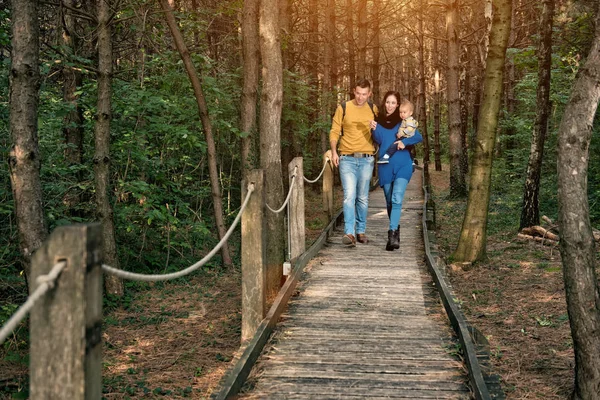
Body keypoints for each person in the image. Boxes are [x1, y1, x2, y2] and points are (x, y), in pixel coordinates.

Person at [370, 92, 422, 251]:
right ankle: (395, 227)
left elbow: (418, 137)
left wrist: (404, 142)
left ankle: (392, 234)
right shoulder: (377, 123)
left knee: (397, 198)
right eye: (388, 102)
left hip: (403, 164)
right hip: (385, 166)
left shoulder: (404, 121)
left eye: (393, 103)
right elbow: (380, 140)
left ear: (398, 104)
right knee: (389, 201)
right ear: (384, 103)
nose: (390, 105)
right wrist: (373, 129)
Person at [329, 79, 378, 247]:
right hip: (347, 158)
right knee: (349, 196)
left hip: (366, 159)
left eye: (364, 94)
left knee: (362, 198)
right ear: (353, 91)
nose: (360, 97)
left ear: (369, 94)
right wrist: (334, 151)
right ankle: (349, 233)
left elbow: (382, 131)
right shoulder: (343, 108)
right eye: (358, 93)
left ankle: (361, 231)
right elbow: (335, 131)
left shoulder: (373, 109)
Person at [377, 100, 418, 164]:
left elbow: (410, 129)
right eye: (401, 112)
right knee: (409, 151)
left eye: (404, 112)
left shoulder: (409, 120)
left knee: (394, 145)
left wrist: (401, 133)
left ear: (410, 113)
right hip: (407, 139)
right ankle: (412, 160)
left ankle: (386, 156)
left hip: (405, 138)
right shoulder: (405, 120)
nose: (402, 114)